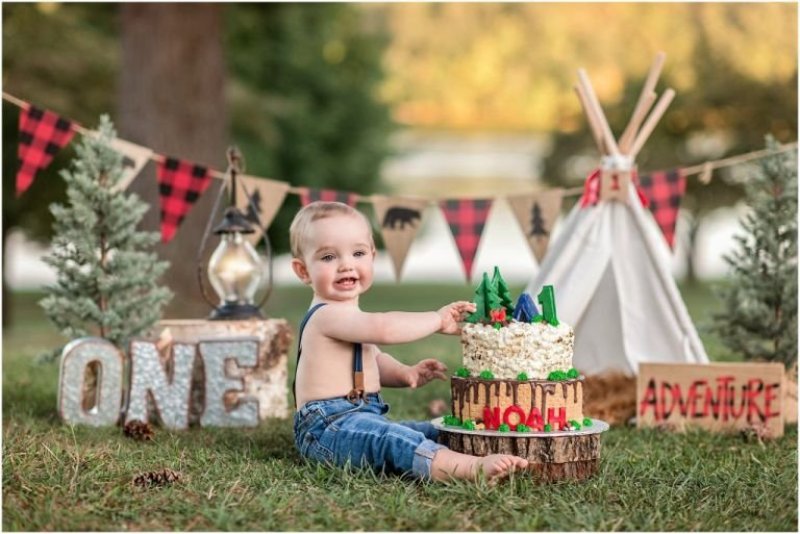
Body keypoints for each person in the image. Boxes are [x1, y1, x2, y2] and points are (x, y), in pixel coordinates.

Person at [289, 201, 529, 482]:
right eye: (328, 257)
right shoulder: (325, 317)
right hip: (327, 429)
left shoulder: (349, 316)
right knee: (393, 440)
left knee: (427, 430)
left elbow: (374, 359)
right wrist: (437, 320)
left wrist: (405, 373)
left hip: (361, 418)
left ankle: (475, 448)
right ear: (303, 270)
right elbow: (384, 329)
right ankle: (469, 469)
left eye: (358, 253)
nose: (346, 265)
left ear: (372, 257)